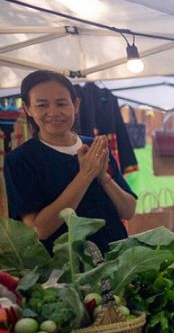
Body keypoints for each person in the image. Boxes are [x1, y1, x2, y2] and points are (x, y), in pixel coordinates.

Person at [5, 70, 137, 252]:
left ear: (76, 105)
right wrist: (85, 176)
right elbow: (37, 230)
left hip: (117, 263)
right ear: (28, 109)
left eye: (61, 103)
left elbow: (128, 211)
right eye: (42, 105)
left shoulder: (95, 147)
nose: (53, 112)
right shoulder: (21, 160)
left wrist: (103, 177)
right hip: (65, 273)